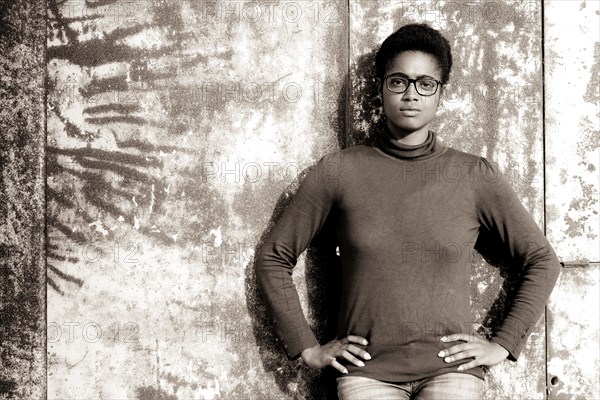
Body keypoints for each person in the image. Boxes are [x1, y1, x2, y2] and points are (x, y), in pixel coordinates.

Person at [255, 23, 560, 399]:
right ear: (381, 88)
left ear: (440, 93)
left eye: (425, 83)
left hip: (452, 373)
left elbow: (542, 259)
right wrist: (307, 347)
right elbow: (274, 256)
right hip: (366, 375)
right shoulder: (338, 171)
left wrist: (503, 342)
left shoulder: (472, 175)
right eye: (398, 81)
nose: (411, 94)